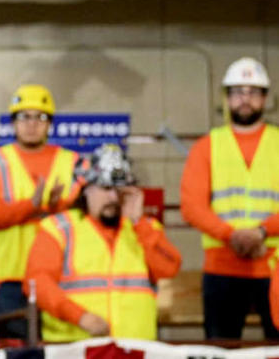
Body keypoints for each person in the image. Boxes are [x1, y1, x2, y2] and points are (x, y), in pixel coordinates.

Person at [27, 144, 181, 342]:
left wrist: (138, 222)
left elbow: (168, 269)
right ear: (86, 190)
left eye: (120, 190)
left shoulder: (145, 228)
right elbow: (37, 283)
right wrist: (80, 316)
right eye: (106, 188)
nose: (113, 197)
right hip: (76, 349)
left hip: (134, 350)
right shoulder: (59, 228)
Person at [180, 57, 279, 339]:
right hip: (222, 267)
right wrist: (231, 235)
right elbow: (192, 206)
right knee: (220, 351)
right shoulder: (206, 146)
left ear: (265, 98)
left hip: (275, 268)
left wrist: (262, 232)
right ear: (227, 97)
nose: (244, 99)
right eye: (237, 92)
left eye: (253, 92)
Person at [0, 84, 80, 338]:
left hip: (60, 277)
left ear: (50, 123)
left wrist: (55, 207)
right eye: (24, 117)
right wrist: (33, 206)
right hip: (8, 276)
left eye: (40, 117)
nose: (32, 124)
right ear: (13, 122)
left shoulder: (75, 163)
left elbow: (85, 215)